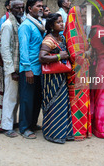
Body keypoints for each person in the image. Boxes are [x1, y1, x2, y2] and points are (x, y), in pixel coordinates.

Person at [39, 13, 74, 144]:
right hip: (51, 78)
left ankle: (63, 132)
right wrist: (59, 56)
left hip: (61, 75)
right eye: (58, 22)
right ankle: (52, 133)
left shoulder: (62, 38)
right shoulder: (49, 40)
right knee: (53, 103)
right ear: (51, 25)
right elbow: (42, 57)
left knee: (63, 103)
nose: (61, 24)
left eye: (62, 22)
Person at [64, 6, 92, 140]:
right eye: (82, 15)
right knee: (77, 101)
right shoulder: (72, 32)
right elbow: (74, 55)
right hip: (76, 72)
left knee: (83, 100)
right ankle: (77, 131)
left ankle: (84, 129)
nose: (84, 17)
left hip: (83, 72)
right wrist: (87, 53)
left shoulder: (81, 31)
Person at [18, 0, 44, 139]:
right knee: (27, 99)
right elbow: (23, 49)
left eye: (42, 6)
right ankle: (24, 127)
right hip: (29, 69)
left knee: (37, 99)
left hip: (39, 69)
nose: (41, 8)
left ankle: (32, 124)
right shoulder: (26, 26)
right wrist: (27, 68)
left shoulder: (39, 24)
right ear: (29, 8)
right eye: (38, 6)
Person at [0, 0, 24, 138]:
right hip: (12, 69)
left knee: (17, 98)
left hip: (19, 67)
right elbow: (5, 49)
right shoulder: (8, 25)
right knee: (10, 98)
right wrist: (11, 71)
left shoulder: (21, 22)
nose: (20, 10)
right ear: (10, 9)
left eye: (22, 8)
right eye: (17, 8)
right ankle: (7, 126)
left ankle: (12, 123)